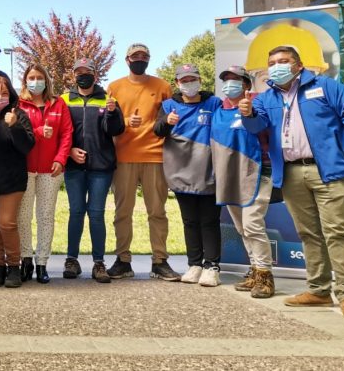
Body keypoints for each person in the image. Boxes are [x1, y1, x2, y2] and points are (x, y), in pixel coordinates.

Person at [241, 45, 344, 320]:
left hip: (328, 171)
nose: (277, 66)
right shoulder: (267, 98)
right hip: (291, 173)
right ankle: (318, 291)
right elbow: (257, 129)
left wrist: (340, 149)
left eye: (284, 61)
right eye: (273, 62)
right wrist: (248, 114)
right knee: (309, 234)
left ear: (298, 65)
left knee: (336, 232)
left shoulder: (327, 87)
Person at [107, 43, 179, 281]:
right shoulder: (115, 87)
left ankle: (160, 261)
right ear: (127, 60)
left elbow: (169, 120)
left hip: (155, 156)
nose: (140, 59)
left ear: (149, 59)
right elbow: (111, 121)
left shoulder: (162, 86)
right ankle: (123, 261)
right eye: (135, 56)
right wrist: (126, 120)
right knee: (122, 212)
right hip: (124, 156)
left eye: (144, 56)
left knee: (157, 211)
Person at [154, 64, 223, 286]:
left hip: (209, 171)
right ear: (177, 84)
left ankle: (211, 265)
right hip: (181, 171)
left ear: (200, 80)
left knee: (209, 221)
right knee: (189, 221)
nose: (189, 84)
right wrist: (167, 122)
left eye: (192, 79)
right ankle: (194, 264)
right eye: (184, 81)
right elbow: (157, 130)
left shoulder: (214, 103)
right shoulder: (168, 105)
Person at [212, 65, 275, 298]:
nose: (230, 84)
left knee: (252, 225)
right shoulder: (220, 109)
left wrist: (249, 113)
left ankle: (266, 276)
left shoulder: (259, 104)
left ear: (247, 85)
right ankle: (254, 270)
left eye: (236, 80)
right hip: (230, 175)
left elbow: (261, 127)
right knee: (241, 227)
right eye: (226, 79)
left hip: (257, 171)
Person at [62, 58, 124, 283]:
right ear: (74, 75)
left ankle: (99, 263)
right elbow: (62, 132)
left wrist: (111, 112)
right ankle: (71, 260)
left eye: (87, 72)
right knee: (76, 212)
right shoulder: (64, 99)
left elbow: (116, 130)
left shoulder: (108, 100)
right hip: (73, 167)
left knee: (96, 214)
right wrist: (69, 151)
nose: (83, 75)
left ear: (95, 76)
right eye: (79, 71)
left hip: (101, 167)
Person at [17, 62, 73, 284]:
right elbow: (17, 133)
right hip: (25, 168)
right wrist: (38, 132)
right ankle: (26, 260)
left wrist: (61, 158)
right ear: (25, 80)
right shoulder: (19, 104)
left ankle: (42, 263)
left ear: (47, 80)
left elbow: (67, 133)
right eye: (31, 77)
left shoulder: (58, 104)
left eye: (40, 77)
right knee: (23, 216)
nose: (36, 81)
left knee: (46, 216)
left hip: (51, 169)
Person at [0, 75, 35, 288]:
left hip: (12, 179)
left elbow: (27, 146)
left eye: (4, 93)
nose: (0, 97)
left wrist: (15, 127)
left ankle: (14, 266)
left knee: (7, 224)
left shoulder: (18, 114)